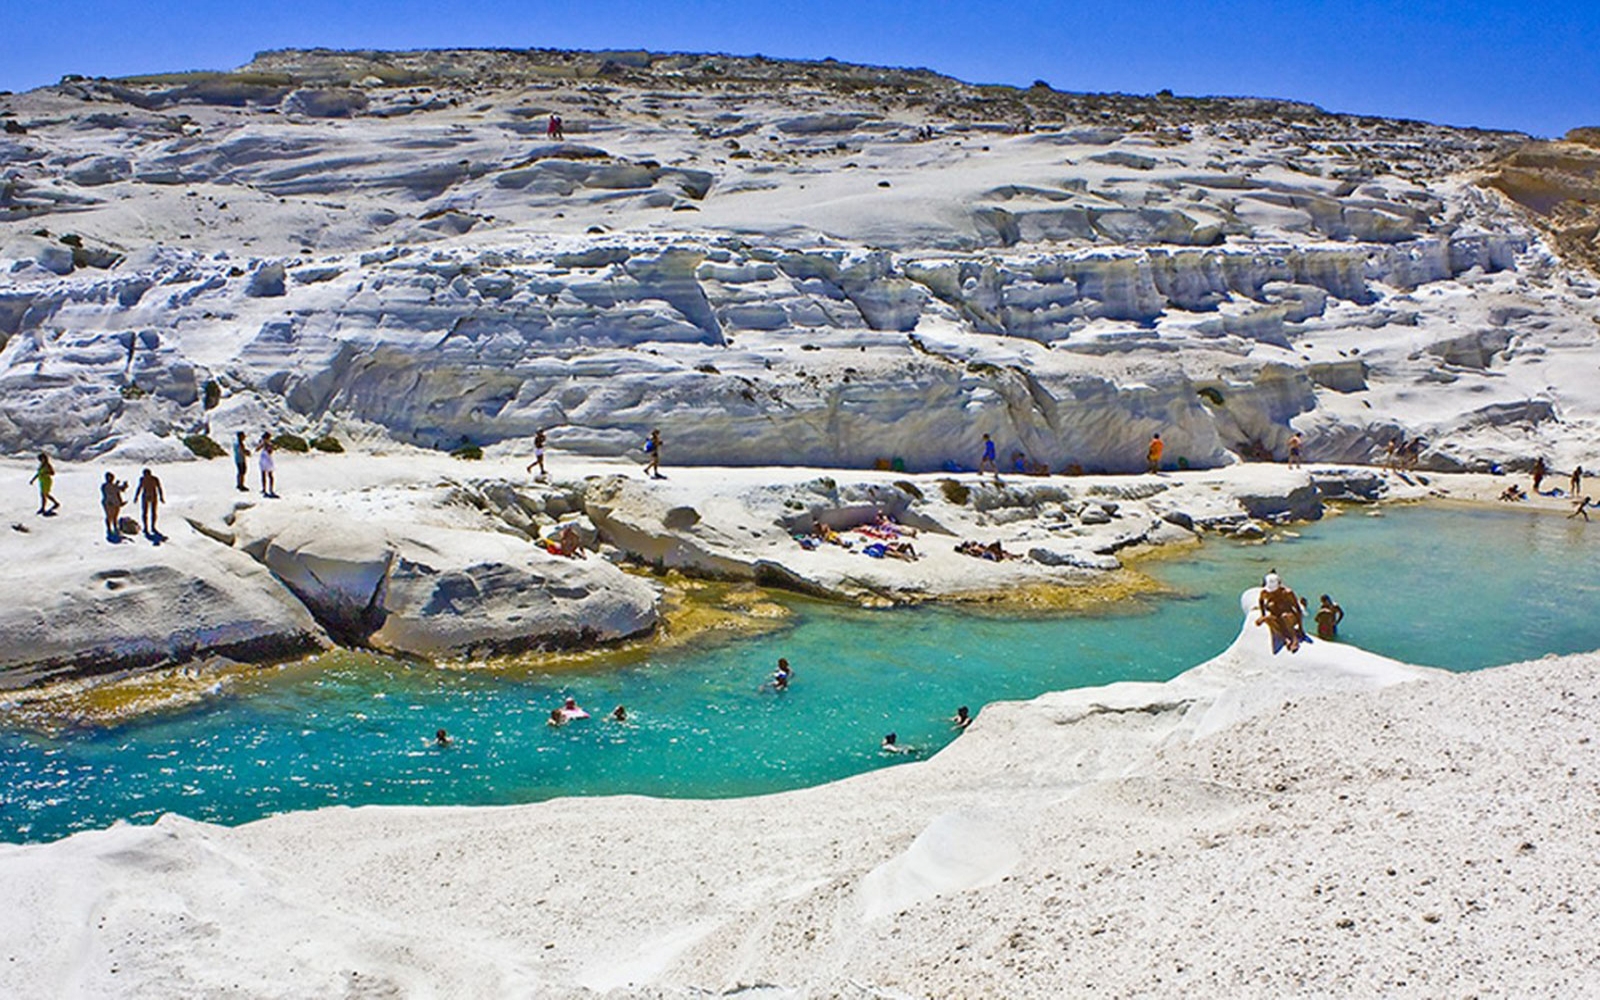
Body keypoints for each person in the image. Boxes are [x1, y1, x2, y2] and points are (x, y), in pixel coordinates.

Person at [1256, 570, 1303, 653]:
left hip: (1289, 617)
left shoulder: (1287, 593)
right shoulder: (1265, 593)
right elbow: (1261, 601)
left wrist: (1300, 627)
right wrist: (1262, 615)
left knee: (1284, 616)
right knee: (1266, 619)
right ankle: (1285, 638)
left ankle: (1294, 640)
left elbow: (1297, 609)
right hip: (1276, 617)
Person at [132, 467, 164, 536]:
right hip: (145, 496)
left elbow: (159, 488)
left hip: (153, 496)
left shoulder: (155, 479)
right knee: (144, 513)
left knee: (153, 512)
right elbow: (139, 488)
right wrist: (136, 496)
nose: (146, 476)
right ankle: (145, 527)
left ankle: (153, 526)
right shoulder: (142, 479)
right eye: (145, 475)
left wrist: (161, 497)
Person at [100, 471, 128, 540]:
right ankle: (109, 528)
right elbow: (110, 492)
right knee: (109, 516)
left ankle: (115, 527)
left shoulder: (113, 485)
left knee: (115, 516)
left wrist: (124, 486)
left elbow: (120, 490)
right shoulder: (105, 486)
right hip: (109, 503)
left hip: (116, 502)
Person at [258, 432, 277, 497]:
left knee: (270, 475)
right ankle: (264, 489)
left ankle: (271, 489)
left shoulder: (269, 445)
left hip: (268, 460)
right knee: (263, 475)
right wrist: (262, 445)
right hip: (263, 460)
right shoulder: (262, 444)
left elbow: (270, 452)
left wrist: (267, 446)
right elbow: (257, 449)